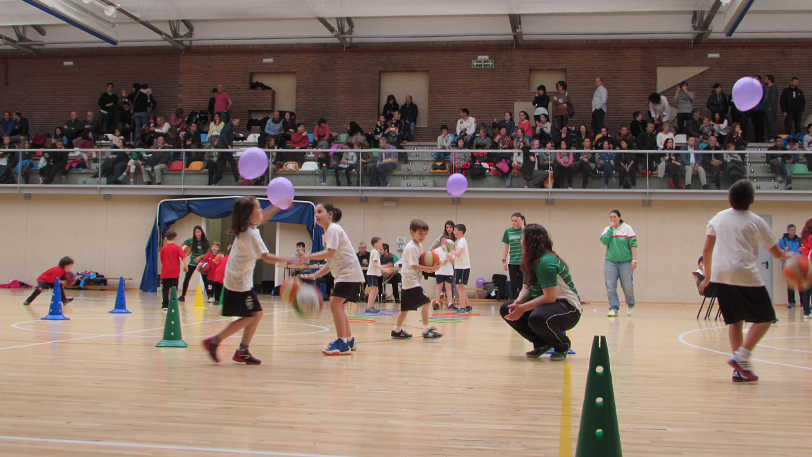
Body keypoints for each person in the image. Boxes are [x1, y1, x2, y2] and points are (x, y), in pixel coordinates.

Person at [699, 180, 792, 382]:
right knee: (766, 317)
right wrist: (789, 257)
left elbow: (706, 250)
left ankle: (738, 370)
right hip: (744, 274)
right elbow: (775, 253)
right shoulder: (756, 220)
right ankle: (742, 356)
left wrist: (707, 276)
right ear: (752, 201)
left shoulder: (718, 218)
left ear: (729, 198)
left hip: (721, 276)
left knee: (735, 321)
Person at [203, 197, 290, 365]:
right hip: (239, 282)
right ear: (249, 215)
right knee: (251, 316)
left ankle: (242, 350)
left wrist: (277, 206)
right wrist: (291, 259)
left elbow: (263, 217)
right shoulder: (250, 233)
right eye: (258, 208)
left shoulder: (249, 227)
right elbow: (266, 257)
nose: (261, 211)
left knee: (255, 314)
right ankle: (215, 341)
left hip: (240, 279)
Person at [501, 223, 581, 361]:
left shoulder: (546, 262)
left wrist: (523, 308)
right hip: (547, 305)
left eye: (523, 237)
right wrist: (518, 303)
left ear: (529, 241)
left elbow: (550, 297)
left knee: (537, 317)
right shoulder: (530, 261)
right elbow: (526, 289)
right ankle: (542, 343)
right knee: (506, 309)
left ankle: (562, 345)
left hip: (568, 308)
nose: (520, 241)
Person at [300, 203, 366, 355]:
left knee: (334, 304)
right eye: (315, 212)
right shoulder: (327, 233)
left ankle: (342, 344)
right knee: (339, 307)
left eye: (320, 211)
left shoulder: (333, 229)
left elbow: (329, 253)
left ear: (330, 214)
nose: (316, 215)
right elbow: (330, 262)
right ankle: (349, 340)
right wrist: (314, 275)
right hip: (346, 275)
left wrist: (307, 256)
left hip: (349, 274)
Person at [390, 219, 442, 340]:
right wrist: (430, 269)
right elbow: (415, 266)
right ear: (412, 232)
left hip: (411, 280)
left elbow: (420, 264)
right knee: (426, 301)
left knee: (405, 309)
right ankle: (426, 330)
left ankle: (396, 331)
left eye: (425, 234)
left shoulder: (419, 246)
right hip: (410, 280)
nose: (423, 236)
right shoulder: (411, 247)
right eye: (420, 233)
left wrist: (431, 269)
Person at [601, 210, 637, 317]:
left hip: (625, 262)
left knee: (627, 286)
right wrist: (611, 230)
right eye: (611, 217)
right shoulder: (608, 229)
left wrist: (634, 260)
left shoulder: (627, 229)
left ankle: (630, 303)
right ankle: (614, 307)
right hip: (611, 261)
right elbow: (604, 241)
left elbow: (633, 244)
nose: (612, 219)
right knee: (610, 285)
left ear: (619, 218)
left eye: (614, 217)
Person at [179, 225, 210, 302]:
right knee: (187, 278)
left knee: (205, 280)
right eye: (197, 232)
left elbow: (207, 252)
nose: (198, 233)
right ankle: (183, 295)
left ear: (202, 233)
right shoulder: (190, 240)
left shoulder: (206, 241)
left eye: (199, 232)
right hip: (192, 262)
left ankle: (209, 296)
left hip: (202, 263)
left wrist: (200, 257)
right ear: (194, 233)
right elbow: (182, 245)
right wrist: (185, 253)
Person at [159, 230, 187, 311]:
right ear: (175, 238)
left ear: (165, 238)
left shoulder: (163, 249)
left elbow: (162, 260)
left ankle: (165, 304)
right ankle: (173, 303)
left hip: (165, 273)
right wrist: (186, 266)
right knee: (174, 289)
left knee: (165, 289)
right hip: (174, 273)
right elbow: (183, 257)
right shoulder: (177, 248)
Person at [778, 224, 802, 308]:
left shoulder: (799, 240)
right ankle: (791, 302)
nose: (793, 232)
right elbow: (777, 252)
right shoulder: (782, 241)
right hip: (788, 265)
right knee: (791, 284)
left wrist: (801, 250)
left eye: (794, 230)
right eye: (791, 230)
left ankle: (802, 303)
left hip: (798, 264)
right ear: (788, 230)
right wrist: (784, 250)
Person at [502, 213, 525, 300]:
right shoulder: (508, 231)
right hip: (512, 261)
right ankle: (514, 301)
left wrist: (523, 226)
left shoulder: (524, 230)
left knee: (521, 283)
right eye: (512, 221)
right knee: (513, 283)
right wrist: (504, 261)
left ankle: (522, 300)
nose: (513, 223)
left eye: (516, 221)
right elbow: (506, 247)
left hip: (523, 262)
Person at [450, 224, 472, 313]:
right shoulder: (459, 241)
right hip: (460, 267)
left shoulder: (462, 241)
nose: (453, 232)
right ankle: (467, 306)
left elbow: (458, 253)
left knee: (459, 288)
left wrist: (451, 250)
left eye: (455, 230)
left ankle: (463, 308)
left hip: (462, 268)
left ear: (460, 232)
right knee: (460, 288)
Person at [364, 237, 389, 314]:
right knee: (373, 290)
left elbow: (376, 264)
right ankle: (369, 307)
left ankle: (371, 306)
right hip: (372, 274)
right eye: (380, 243)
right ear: (375, 244)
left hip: (374, 274)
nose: (381, 244)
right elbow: (374, 264)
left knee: (376, 291)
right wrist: (384, 269)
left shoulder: (375, 252)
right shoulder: (375, 252)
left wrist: (385, 266)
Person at [432, 236, 456, 311]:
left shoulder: (451, 251)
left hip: (449, 272)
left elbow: (454, 262)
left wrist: (449, 257)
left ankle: (450, 304)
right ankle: (437, 303)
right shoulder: (437, 250)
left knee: (448, 287)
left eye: (445, 241)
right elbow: (434, 261)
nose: (444, 243)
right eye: (442, 241)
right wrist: (442, 262)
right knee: (439, 287)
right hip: (440, 271)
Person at [799, 219, 812, 319]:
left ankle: (806, 311)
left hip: (805, 266)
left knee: (807, 289)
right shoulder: (811, 237)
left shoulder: (804, 238)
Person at [763, 75, 779, 141]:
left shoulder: (773, 88)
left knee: (770, 123)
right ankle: (769, 137)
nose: (765, 81)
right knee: (767, 123)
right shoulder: (770, 88)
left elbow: (773, 98)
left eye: (766, 79)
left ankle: (772, 137)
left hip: (770, 109)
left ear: (769, 80)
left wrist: (770, 107)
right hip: (767, 108)